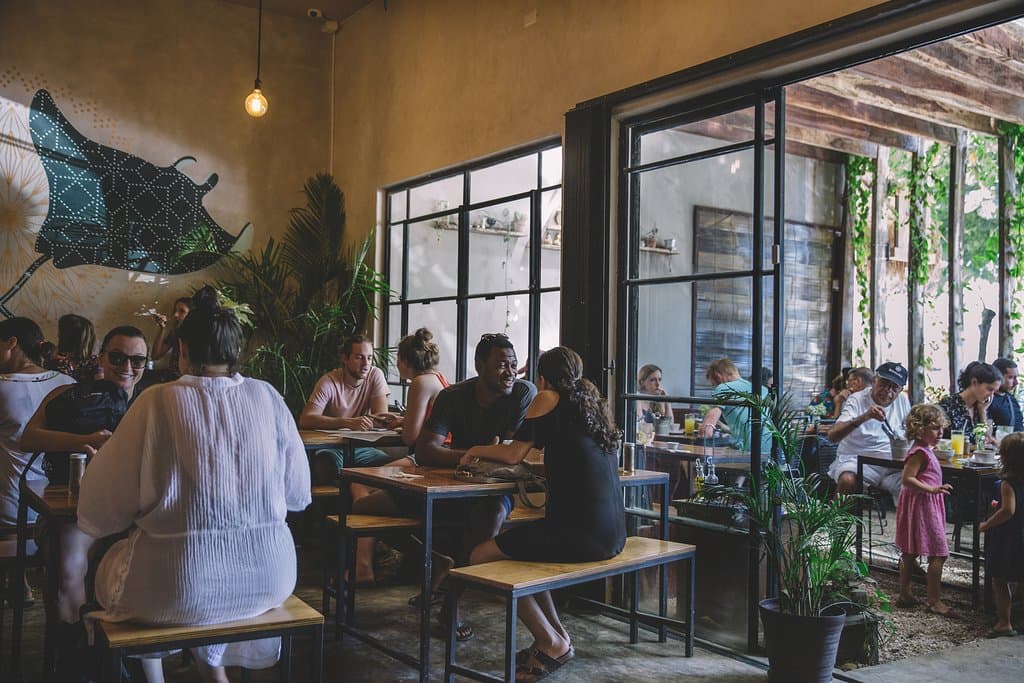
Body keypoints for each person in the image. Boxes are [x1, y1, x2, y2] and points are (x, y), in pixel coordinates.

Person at [77, 286, 311, 683]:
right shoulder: (268, 397)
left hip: (176, 587)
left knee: (111, 563)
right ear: (236, 352)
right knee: (203, 576)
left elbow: (101, 509)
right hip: (271, 578)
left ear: (182, 349)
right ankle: (214, 674)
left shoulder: (157, 401)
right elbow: (297, 495)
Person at [464, 346, 624, 682]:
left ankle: (549, 642)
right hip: (612, 533)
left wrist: (474, 450)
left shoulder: (547, 397)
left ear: (543, 376)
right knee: (525, 558)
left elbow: (513, 454)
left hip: (578, 534)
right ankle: (557, 639)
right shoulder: (591, 405)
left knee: (481, 555)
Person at [19, 324, 149, 674]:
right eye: (118, 357)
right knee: (70, 566)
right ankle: (80, 658)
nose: (127, 367)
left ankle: (132, 653)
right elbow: (28, 438)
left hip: (136, 516)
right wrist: (83, 441)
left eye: (137, 360)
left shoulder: (153, 403)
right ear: (101, 358)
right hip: (71, 512)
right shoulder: (68, 395)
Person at [414, 332, 537, 640]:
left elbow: (510, 456)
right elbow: (425, 450)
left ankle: (451, 604)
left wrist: (479, 454)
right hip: (451, 484)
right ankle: (441, 563)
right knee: (367, 508)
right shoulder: (453, 396)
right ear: (479, 365)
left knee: (491, 514)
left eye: (513, 364)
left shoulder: (522, 393)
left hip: (496, 491)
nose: (510, 372)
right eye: (501, 365)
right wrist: (472, 456)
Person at [351, 327, 448, 584]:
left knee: (360, 482)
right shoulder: (438, 378)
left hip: (424, 460)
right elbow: (427, 421)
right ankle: (367, 564)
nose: (396, 365)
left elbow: (410, 438)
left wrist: (404, 425)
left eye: (397, 360)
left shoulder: (419, 382)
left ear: (406, 361)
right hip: (440, 456)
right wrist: (401, 419)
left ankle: (363, 566)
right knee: (367, 486)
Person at [0, 317, 75, 526]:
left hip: (10, 510)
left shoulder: (3, 387)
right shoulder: (68, 383)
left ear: (11, 343)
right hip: (57, 511)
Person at [299, 335, 394, 482]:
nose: (365, 364)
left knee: (389, 468)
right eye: (359, 357)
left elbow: (381, 418)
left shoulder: (375, 375)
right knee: (327, 466)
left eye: (369, 358)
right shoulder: (329, 382)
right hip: (330, 446)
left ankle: (359, 500)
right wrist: (347, 422)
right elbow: (306, 419)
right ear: (345, 359)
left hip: (361, 447)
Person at [894, 404, 954, 616]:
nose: (941, 433)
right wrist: (932, 489)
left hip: (925, 502)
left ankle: (905, 593)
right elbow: (907, 478)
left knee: (910, 551)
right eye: (935, 428)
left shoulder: (926, 450)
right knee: (939, 552)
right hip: (923, 504)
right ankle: (934, 600)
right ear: (919, 429)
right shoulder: (919, 453)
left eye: (941, 428)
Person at [827, 362, 911, 504]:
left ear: (900, 390)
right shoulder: (857, 399)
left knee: (916, 485)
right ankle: (833, 522)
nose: (888, 391)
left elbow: (911, 431)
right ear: (874, 381)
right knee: (848, 480)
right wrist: (865, 416)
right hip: (856, 461)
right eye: (884, 384)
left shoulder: (902, 401)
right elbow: (832, 436)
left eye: (894, 387)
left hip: (891, 465)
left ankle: (910, 525)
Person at [979, 432, 1024, 637]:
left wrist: (987, 524)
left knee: (1001, 579)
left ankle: (1004, 623)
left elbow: (1008, 510)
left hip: (1009, 538)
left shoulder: (1008, 483)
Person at [702, 358, 772, 455]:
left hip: (749, 455)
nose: (715, 388)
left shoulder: (724, 388)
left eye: (714, 385)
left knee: (699, 462)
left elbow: (706, 430)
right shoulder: (762, 390)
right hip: (774, 453)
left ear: (718, 377)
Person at [938, 361, 1001, 446]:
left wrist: (982, 411)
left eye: (994, 391)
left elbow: (986, 440)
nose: (991, 395)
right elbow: (939, 443)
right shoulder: (947, 406)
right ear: (974, 382)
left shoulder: (980, 406)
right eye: (989, 389)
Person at [44, 313, 101, 382]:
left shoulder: (94, 362)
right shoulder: (55, 358)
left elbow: (100, 385)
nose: (58, 335)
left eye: (61, 332)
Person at [151, 296, 192, 377]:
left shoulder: (200, 336)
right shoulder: (176, 332)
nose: (176, 315)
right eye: (175, 311)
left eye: (182, 311)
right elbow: (155, 355)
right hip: (172, 377)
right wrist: (162, 328)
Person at [989, 358, 1022, 433]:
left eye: (1016, 377)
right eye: (1011, 377)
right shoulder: (987, 400)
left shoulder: (1011, 399)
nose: (1016, 382)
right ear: (998, 377)